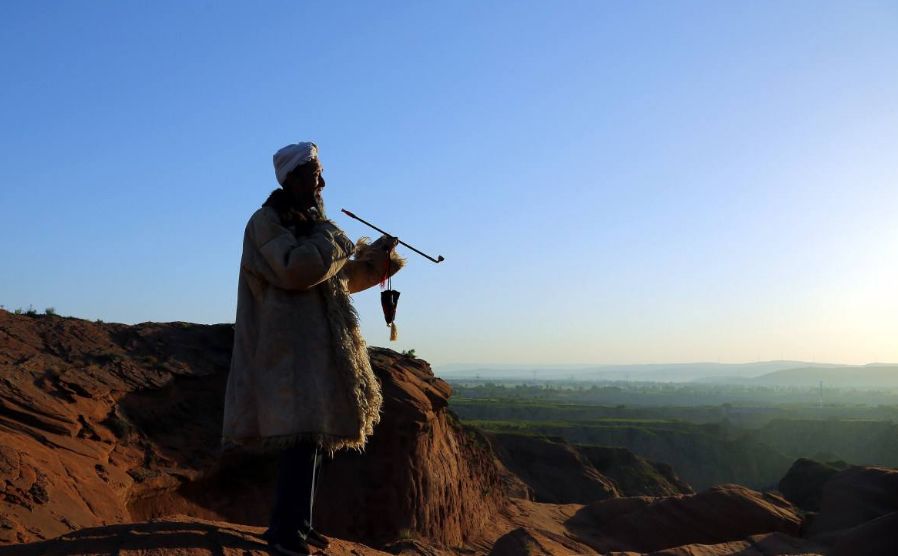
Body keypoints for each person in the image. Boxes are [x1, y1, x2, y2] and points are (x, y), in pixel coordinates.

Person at [221, 141, 404, 556]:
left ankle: (298, 525)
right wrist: (338, 240)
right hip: (285, 352)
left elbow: (336, 281)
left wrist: (378, 260)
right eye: (316, 172)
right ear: (293, 177)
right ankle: (287, 534)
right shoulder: (266, 223)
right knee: (300, 440)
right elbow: (298, 270)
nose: (323, 181)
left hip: (315, 352)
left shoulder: (309, 225)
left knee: (315, 440)